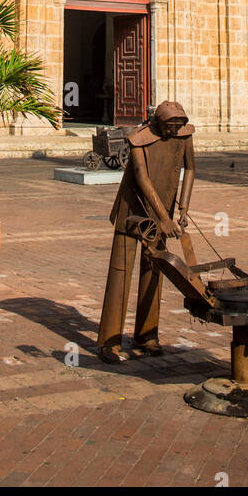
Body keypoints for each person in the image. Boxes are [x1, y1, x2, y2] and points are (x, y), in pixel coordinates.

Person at [96, 99, 195, 363]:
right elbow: (141, 177)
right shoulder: (138, 139)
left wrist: (182, 208)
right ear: (157, 123)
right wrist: (164, 217)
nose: (173, 131)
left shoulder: (184, 136)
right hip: (132, 210)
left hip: (163, 211)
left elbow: (191, 168)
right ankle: (110, 340)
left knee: (155, 270)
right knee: (121, 273)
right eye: (169, 126)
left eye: (177, 125)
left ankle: (147, 334)